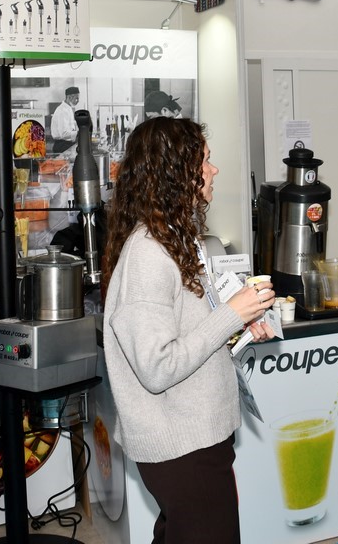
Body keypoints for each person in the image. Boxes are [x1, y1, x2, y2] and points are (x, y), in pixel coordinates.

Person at [101, 117, 275, 543]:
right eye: (205, 162)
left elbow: (192, 329)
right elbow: (157, 366)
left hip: (197, 436)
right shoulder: (148, 254)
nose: (214, 170)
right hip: (181, 446)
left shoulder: (176, 239)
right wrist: (230, 314)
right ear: (177, 174)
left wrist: (241, 326)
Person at [50, 86, 81, 153]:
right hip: (62, 146)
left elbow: (70, 127)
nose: (78, 101)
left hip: (67, 144)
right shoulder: (62, 110)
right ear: (69, 97)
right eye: (76, 98)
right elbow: (63, 134)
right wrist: (79, 133)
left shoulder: (68, 108)